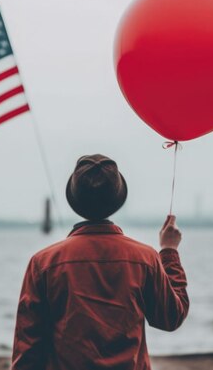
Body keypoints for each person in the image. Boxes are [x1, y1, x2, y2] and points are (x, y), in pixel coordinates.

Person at [12, 154, 189, 370]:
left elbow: (28, 345)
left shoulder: (43, 262)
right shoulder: (145, 258)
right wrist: (169, 251)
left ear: (75, 201)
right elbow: (171, 317)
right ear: (117, 201)